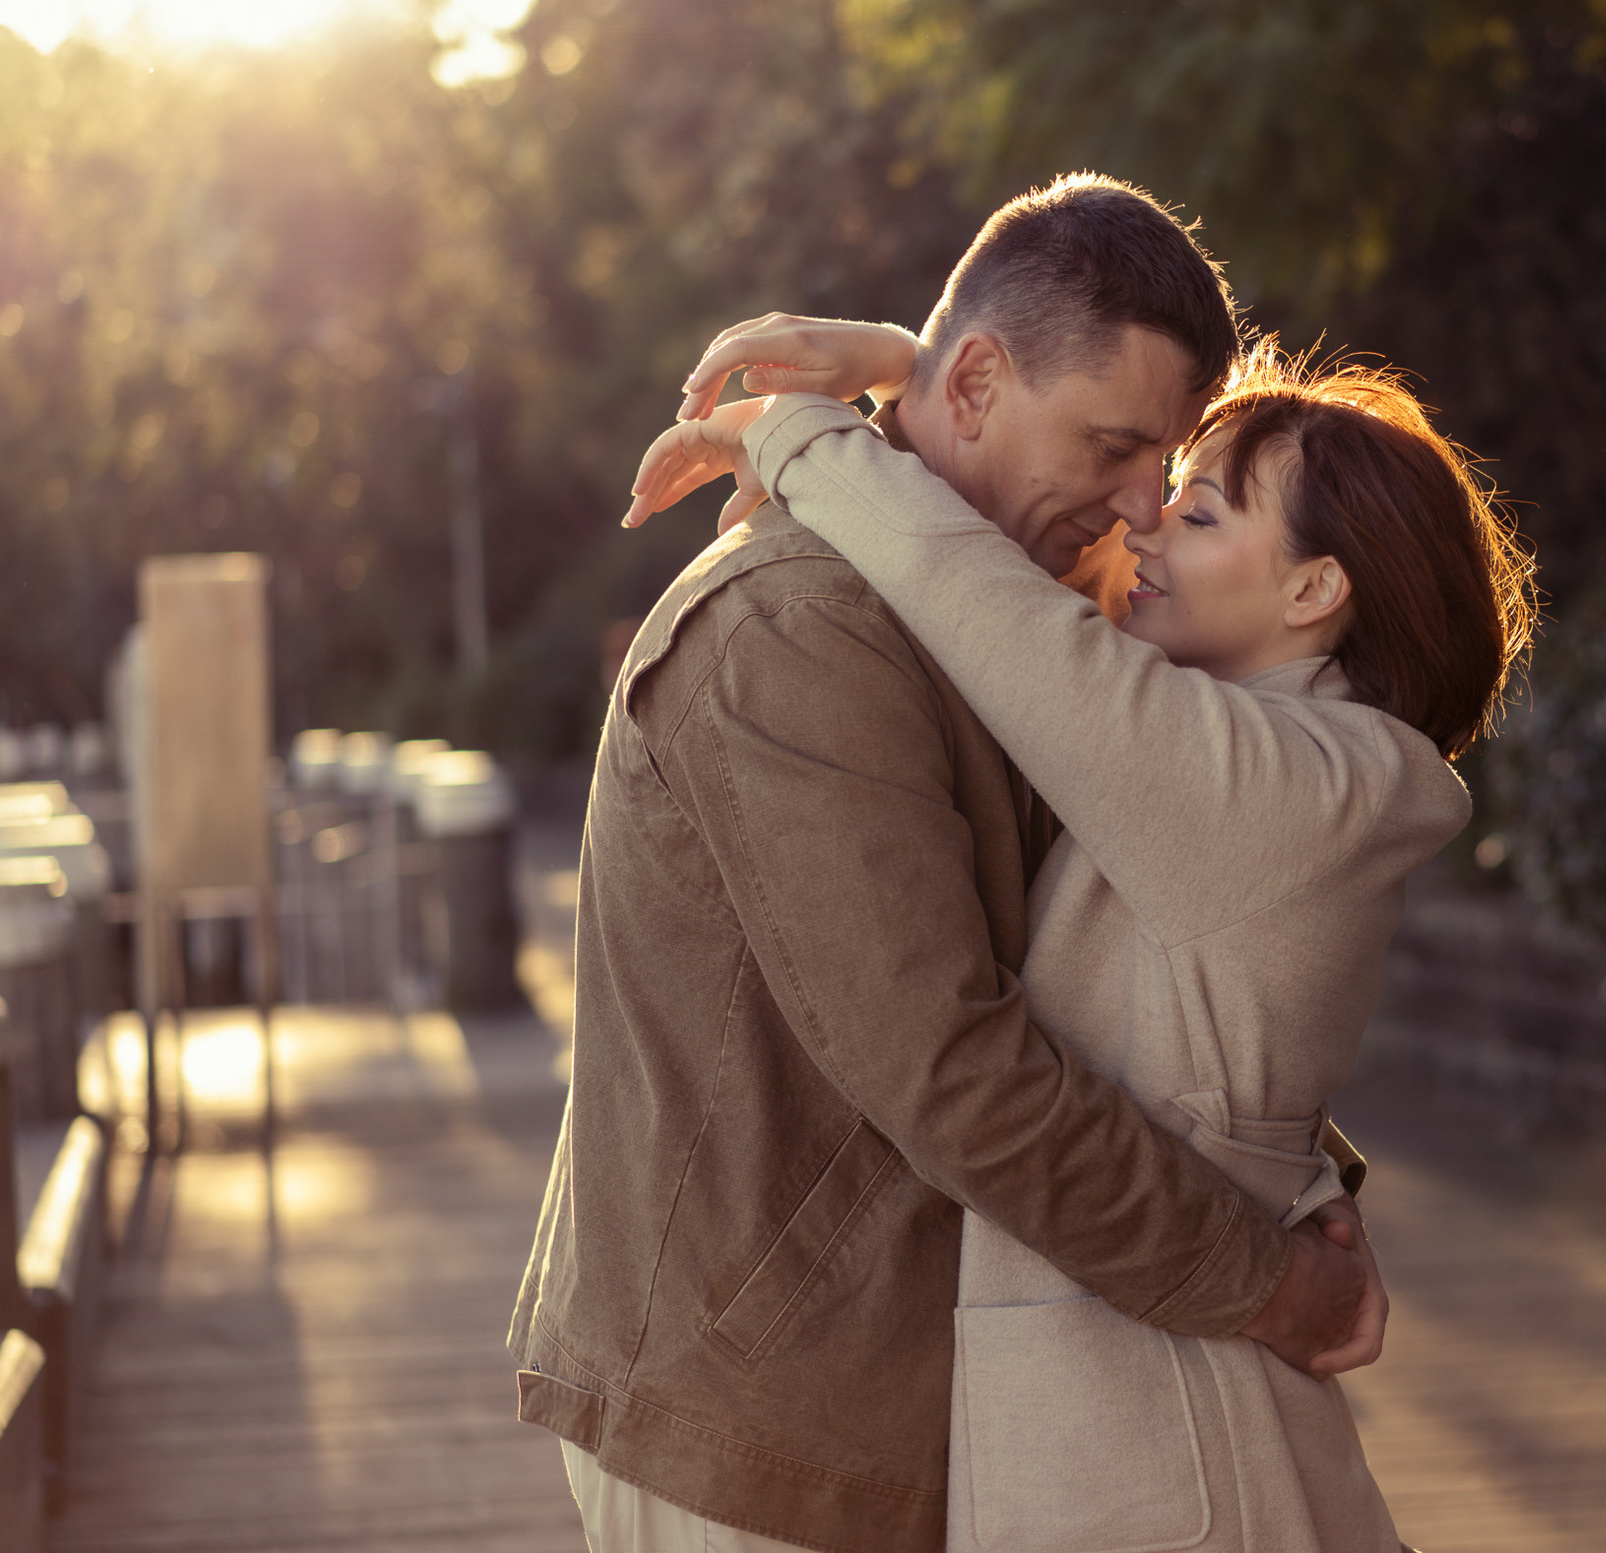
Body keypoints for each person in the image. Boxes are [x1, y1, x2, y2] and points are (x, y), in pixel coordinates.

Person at [509, 175, 1384, 1553]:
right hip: (764, 1425)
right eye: (1111, 448)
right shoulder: (797, 629)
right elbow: (952, 1068)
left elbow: (1129, 938)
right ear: (977, 383)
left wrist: (1291, 1175)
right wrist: (1263, 1278)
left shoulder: (1003, 596)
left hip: (897, 1397)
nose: (1136, 508)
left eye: (1161, 466)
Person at [627, 330, 1537, 1552]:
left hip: (1157, 1432)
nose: (1147, 528)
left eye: (1201, 514)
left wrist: (801, 432)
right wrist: (927, 368)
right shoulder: (1272, 751)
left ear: (1314, 590)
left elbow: (985, 600)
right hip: (1141, 1397)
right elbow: (1036, 522)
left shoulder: (1278, 781)